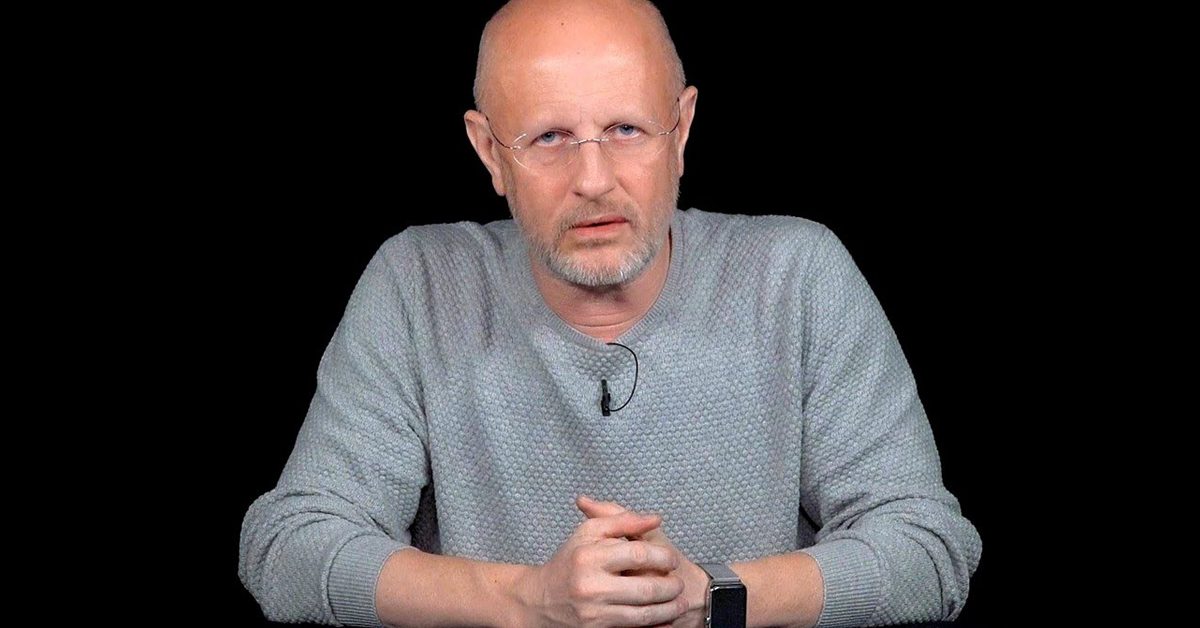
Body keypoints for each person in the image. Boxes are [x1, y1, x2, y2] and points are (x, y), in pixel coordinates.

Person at [238, 1, 982, 626]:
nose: (592, 179)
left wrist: (711, 597)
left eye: (627, 129)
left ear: (681, 131)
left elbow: (929, 551)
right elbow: (286, 551)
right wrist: (527, 601)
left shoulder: (796, 275)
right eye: (549, 138)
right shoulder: (419, 284)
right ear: (489, 152)